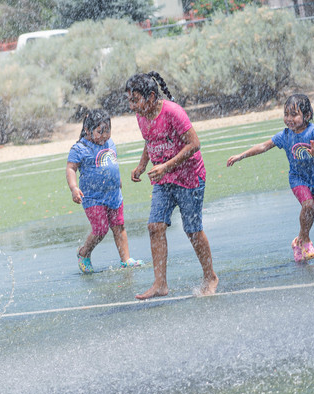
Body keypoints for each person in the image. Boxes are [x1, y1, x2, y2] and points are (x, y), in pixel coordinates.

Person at [127, 71, 218, 300]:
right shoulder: (141, 116)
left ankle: (210, 277)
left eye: (135, 99)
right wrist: (141, 165)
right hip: (163, 180)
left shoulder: (173, 112)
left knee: (193, 231)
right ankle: (160, 284)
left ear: (150, 97)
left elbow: (194, 144)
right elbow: (150, 141)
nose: (132, 106)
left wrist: (166, 166)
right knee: (155, 227)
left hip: (189, 178)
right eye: (129, 100)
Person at [226, 93, 314, 262]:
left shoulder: (313, 130)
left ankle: (298, 242)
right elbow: (264, 146)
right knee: (308, 205)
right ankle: (306, 241)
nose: (288, 118)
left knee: (310, 214)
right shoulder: (285, 135)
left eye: (294, 114)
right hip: (297, 179)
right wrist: (241, 155)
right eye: (286, 114)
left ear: (307, 115)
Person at [65, 108, 143, 273]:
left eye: (108, 130)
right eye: (100, 131)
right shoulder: (80, 148)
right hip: (93, 197)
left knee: (118, 226)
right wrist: (74, 188)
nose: (105, 135)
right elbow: (71, 168)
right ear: (88, 130)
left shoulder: (110, 142)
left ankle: (126, 259)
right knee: (100, 229)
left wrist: (117, 179)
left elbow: (111, 161)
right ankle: (84, 253)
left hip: (114, 195)